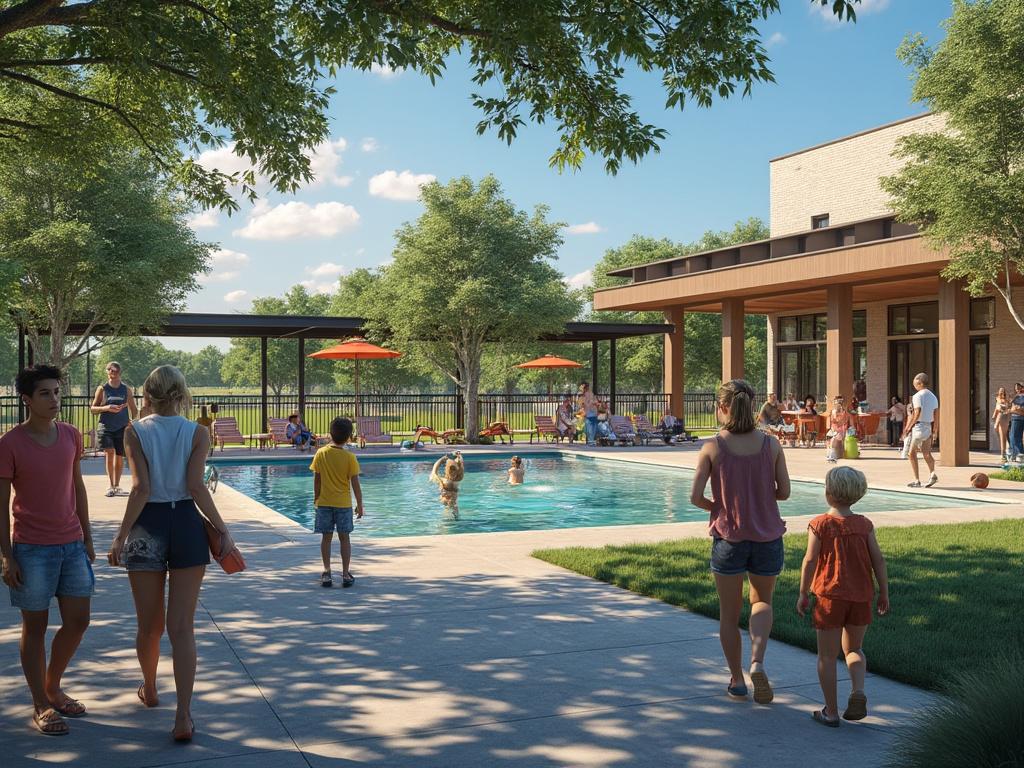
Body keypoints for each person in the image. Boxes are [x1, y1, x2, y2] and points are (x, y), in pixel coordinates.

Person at [108, 365, 236, 742]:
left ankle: (150, 688)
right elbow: (196, 487)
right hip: (186, 525)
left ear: (147, 395)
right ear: (182, 394)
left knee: (149, 626)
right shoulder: (197, 433)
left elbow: (141, 489)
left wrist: (120, 536)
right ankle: (183, 716)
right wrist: (223, 529)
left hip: (147, 524)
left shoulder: (134, 431)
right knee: (182, 627)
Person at [0, 365, 94, 736]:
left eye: (57, 391)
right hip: (31, 550)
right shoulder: (10, 444)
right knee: (35, 627)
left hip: (71, 545)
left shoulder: (71, 435)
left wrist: (87, 538)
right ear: (27, 399)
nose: (54, 399)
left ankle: (53, 686)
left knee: (78, 621)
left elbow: (78, 487)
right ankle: (40, 702)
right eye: (45, 393)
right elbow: (1, 504)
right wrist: (7, 555)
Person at [690, 379, 790, 704]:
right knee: (762, 602)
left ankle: (736, 680)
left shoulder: (713, 447)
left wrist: (718, 506)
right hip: (767, 537)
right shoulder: (771, 445)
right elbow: (784, 492)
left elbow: (695, 497)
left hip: (728, 539)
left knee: (729, 615)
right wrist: (761, 495)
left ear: (722, 408)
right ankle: (757, 662)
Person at [796, 466, 889, 727]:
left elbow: (810, 560)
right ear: (858, 493)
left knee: (827, 656)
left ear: (828, 492)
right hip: (861, 596)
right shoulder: (864, 525)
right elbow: (878, 560)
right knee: (855, 649)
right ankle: (858, 690)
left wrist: (803, 592)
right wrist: (884, 591)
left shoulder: (820, 524)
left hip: (829, 597)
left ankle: (831, 711)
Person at [310, 417, 363, 588]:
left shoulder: (321, 453)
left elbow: (317, 480)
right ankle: (345, 574)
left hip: (324, 503)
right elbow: (355, 484)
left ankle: (327, 572)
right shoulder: (350, 457)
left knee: (326, 538)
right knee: (344, 539)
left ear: (330, 434)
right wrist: (360, 505)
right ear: (349, 437)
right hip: (343, 505)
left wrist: (316, 498)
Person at [90, 361, 139, 497]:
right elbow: (93, 409)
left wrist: (132, 421)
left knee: (119, 455)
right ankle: (110, 485)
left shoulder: (126, 389)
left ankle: (117, 485)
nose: (113, 372)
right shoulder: (102, 389)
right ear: (107, 371)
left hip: (122, 427)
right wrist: (107, 408)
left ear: (119, 372)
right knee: (109, 453)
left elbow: (134, 409)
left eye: (115, 370)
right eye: (110, 370)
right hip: (106, 426)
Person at [903, 373, 939, 488]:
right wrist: (935, 430)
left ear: (920, 383)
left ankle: (917, 480)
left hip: (919, 427)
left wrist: (909, 427)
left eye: (915, 383)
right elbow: (936, 415)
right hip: (928, 427)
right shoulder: (933, 397)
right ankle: (932, 473)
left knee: (911, 454)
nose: (914, 385)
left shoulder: (917, 396)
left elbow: (917, 412)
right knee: (926, 453)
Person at [430, 452, 465, 518]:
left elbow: (461, 466)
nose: (453, 474)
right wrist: (441, 459)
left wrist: (459, 457)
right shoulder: (445, 480)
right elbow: (434, 471)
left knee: (454, 510)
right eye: (452, 472)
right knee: (452, 508)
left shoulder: (456, 480)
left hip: (451, 502)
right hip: (446, 500)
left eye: (454, 472)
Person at [825, 395, 851, 464]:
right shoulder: (833, 411)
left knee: (834, 439)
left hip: (841, 431)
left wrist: (838, 419)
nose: (838, 403)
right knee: (829, 437)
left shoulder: (845, 412)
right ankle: (830, 454)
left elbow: (844, 421)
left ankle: (832, 456)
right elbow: (831, 423)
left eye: (840, 401)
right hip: (834, 430)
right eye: (837, 401)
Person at [992, 387, 1011, 464]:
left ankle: (1003, 456)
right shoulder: (997, 399)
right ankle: (1004, 454)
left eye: (1003, 391)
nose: (1001, 392)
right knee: (1000, 436)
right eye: (1000, 391)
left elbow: (1008, 409)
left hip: (1004, 418)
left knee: (1003, 437)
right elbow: (996, 408)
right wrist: (994, 415)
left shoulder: (1006, 400)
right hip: (999, 418)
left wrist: (1005, 408)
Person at [1008, 383, 1024, 462]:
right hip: (1015, 418)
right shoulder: (1016, 396)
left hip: (1018, 418)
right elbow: (1011, 408)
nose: (1017, 389)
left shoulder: (1021, 397)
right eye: (1016, 388)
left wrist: (1017, 409)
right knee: (1012, 437)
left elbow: (1018, 409)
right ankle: (1015, 454)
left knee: (1015, 437)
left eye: (1019, 387)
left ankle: (1018, 454)